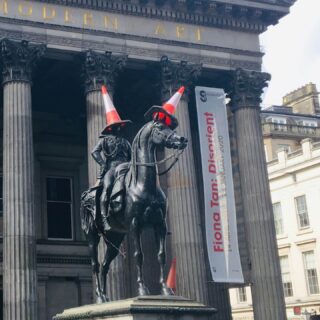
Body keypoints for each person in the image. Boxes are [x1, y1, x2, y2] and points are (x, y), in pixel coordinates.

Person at [92, 85, 132, 232]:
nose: (119, 128)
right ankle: (104, 218)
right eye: (117, 126)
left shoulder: (126, 142)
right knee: (107, 188)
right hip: (112, 168)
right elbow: (94, 152)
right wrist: (103, 164)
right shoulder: (104, 141)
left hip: (126, 168)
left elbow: (132, 157)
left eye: (120, 126)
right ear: (111, 127)